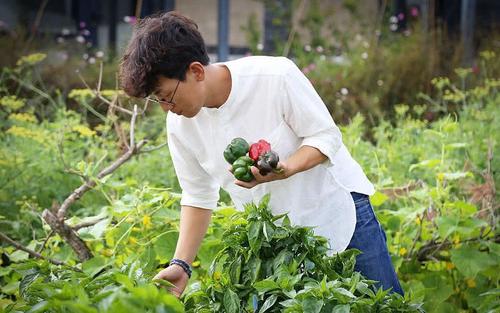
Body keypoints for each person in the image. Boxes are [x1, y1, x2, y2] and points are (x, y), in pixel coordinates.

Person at [119, 11, 404, 297]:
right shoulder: (180, 125)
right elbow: (198, 195)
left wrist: (288, 168)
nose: (165, 107)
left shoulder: (274, 77)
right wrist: (181, 264)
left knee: (384, 303)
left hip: (339, 212)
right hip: (278, 242)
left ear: (196, 71)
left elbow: (326, 136)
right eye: (157, 99)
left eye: (166, 95)